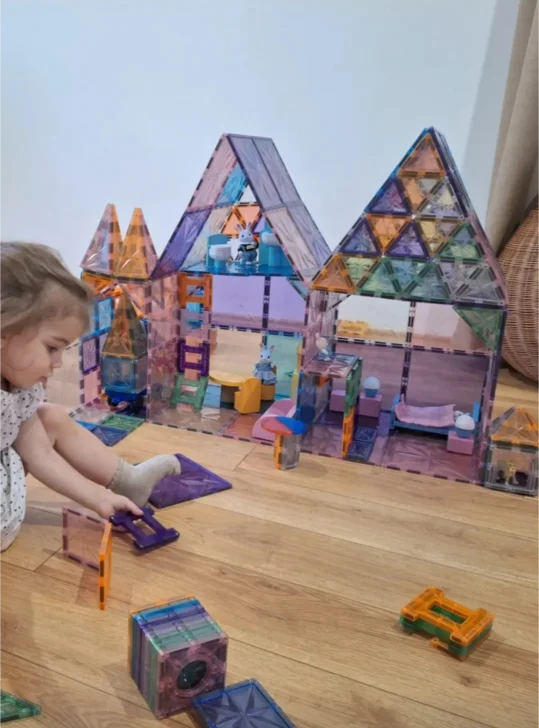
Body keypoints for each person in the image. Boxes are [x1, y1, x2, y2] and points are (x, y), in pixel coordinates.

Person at [0, 242, 181, 552]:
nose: (58, 363)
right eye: (51, 348)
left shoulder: (21, 387)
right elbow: (38, 455)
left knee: (49, 416)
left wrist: (100, 499)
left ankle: (129, 481)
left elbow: (39, 454)